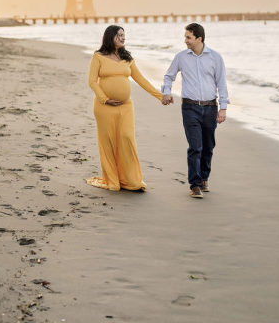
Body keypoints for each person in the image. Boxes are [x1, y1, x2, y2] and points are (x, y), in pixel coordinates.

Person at [86, 25, 163, 192]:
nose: (123, 38)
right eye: (119, 35)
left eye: (124, 35)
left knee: (126, 138)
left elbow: (141, 79)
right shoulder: (98, 56)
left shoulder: (127, 58)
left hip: (126, 107)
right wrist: (105, 99)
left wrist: (160, 96)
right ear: (110, 37)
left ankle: (132, 181)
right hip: (104, 107)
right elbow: (92, 81)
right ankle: (113, 181)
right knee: (108, 143)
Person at [162, 23, 229, 198]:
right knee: (195, 147)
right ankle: (195, 184)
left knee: (208, 146)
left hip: (210, 108)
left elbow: (221, 83)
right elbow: (169, 76)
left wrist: (223, 108)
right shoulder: (181, 57)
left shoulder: (215, 58)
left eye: (188, 37)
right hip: (189, 107)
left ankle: (204, 178)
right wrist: (167, 92)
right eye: (185, 37)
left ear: (199, 39)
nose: (185, 41)